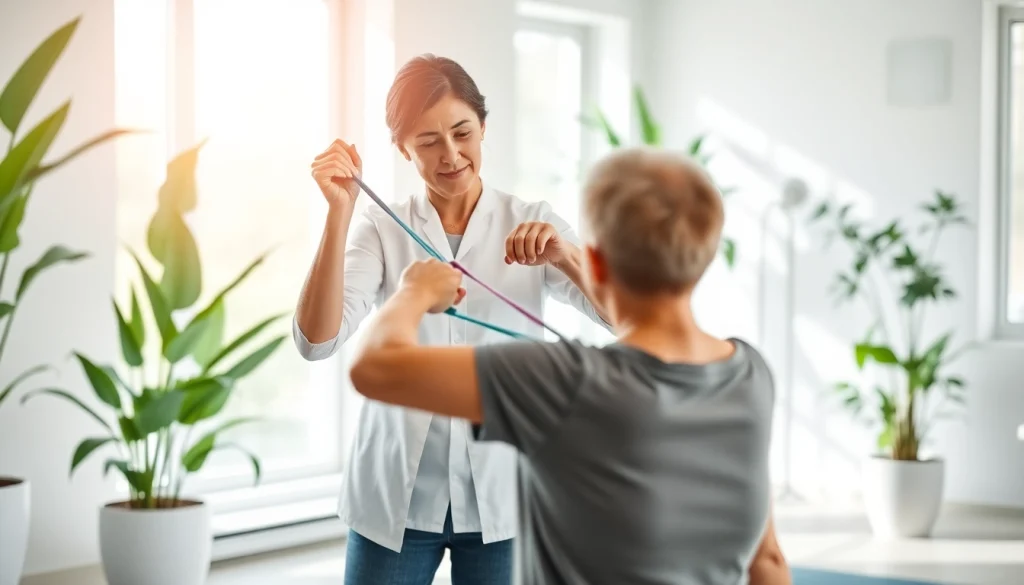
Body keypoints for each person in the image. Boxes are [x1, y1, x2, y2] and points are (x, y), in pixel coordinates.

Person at [347, 147, 794, 584]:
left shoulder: (563, 379)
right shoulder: (751, 375)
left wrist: (414, 291)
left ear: (595, 262)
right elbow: (769, 559)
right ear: (708, 254)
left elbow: (374, 369)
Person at [293, 54, 611, 584]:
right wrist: (338, 212)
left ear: (483, 126)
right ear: (402, 148)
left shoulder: (534, 221)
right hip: (396, 496)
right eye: (428, 142)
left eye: (462, 132)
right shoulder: (381, 228)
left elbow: (625, 321)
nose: (451, 155)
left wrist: (567, 258)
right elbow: (316, 342)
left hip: (504, 497)